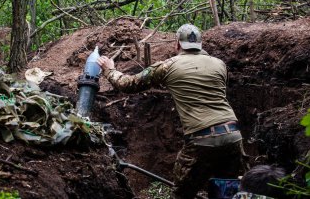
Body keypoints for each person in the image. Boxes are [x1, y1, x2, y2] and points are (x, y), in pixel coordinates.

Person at [97, 24, 244, 199]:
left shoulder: (168, 66)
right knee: (227, 191)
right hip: (233, 136)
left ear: (177, 45)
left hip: (201, 139)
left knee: (182, 194)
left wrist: (109, 69)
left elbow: (128, 85)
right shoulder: (220, 64)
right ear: (200, 44)